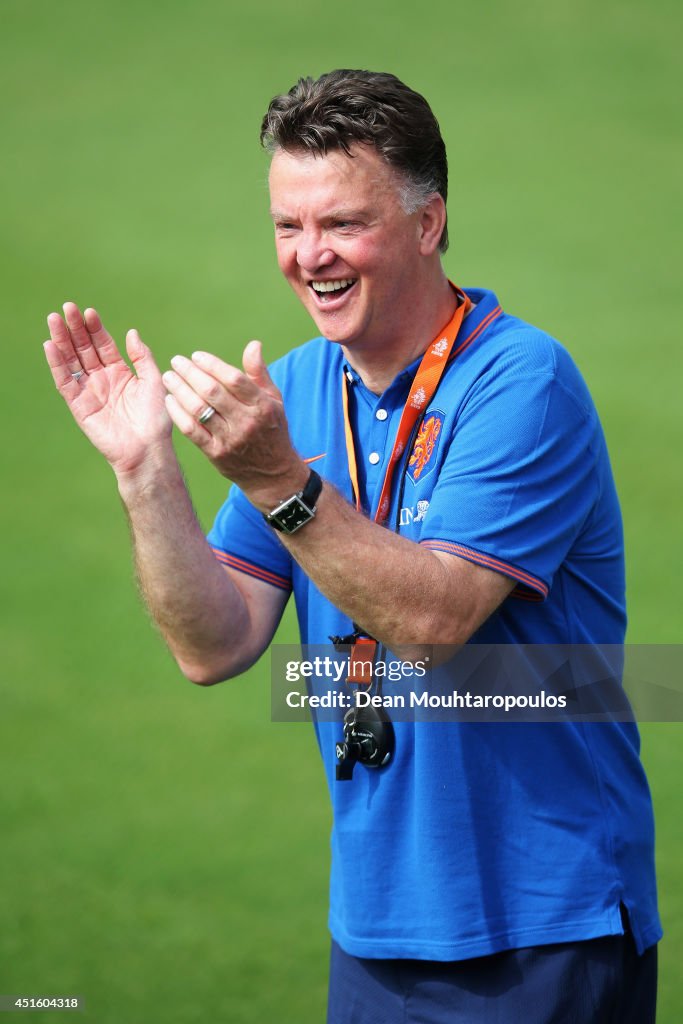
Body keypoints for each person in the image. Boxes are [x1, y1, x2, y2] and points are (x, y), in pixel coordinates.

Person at [43, 70, 660, 1023]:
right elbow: (212, 645)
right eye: (288, 227)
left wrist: (279, 481)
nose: (308, 256)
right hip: (375, 929)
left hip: (542, 926)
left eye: (341, 224)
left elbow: (430, 620)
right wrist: (144, 472)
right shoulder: (298, 387)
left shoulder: (521, 384)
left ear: (427, 222)